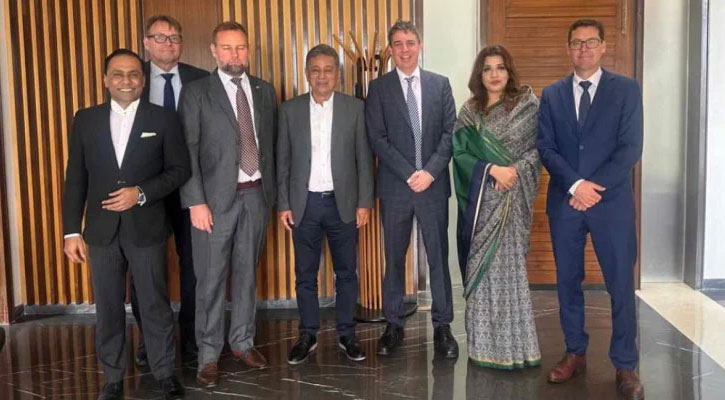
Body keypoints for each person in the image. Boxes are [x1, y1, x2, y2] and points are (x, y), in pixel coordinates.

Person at [62, 49, 189, 400]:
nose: (126, 80)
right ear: (106, 80)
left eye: (133, 74)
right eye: (117, 74)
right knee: (108, 307)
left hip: (146, 227)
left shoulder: (163, 118)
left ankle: (165, 373)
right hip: (101, 231)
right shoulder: (85, 119)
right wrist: (71, 230)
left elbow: (180, 170)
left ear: (143, 79)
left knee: (154, 304)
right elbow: (75, 178)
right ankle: (113, 377)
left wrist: (141, 193)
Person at [537, 19, 644, 400]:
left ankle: (625, 363)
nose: (583, 48)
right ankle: (575, 352)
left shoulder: (626, 90)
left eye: (591, 41)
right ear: (568, 49)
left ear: (603, 47)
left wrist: (592, 188)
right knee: (568, 281)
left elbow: (630, 147)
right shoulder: (552, 94)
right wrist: (575, 185)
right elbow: (546, 147)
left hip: (610, 202)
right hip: (566, 202)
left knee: (620, 283)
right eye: (577, 43)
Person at [178, 21, 277, 388]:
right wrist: (196, 202)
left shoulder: (264, 90)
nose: (235, 55)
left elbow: (270, 145)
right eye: (227, 47)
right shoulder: (196, 93)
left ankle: (242, 342)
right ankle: (208, 355)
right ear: (214, 51)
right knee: (210, 279)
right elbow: (187, 150)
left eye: (241, 47)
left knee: (247, 273)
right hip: (213, 203)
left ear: (249, 50)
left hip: (256, 195)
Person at [366, 20, 458, 359]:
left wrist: (430, 172)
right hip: (396, 188)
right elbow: (377, 138)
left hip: (432, 187)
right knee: (394, 258)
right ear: (391, 50)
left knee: (438, 258)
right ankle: (393, 325)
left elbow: (450, 133)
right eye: (398, 44)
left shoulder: (440, 85)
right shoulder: (379, 88)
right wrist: (410, 174)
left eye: (410, 42)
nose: (404, 49)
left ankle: (443, 326)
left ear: (420, 46)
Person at [277, 44, 374, 365]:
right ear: (307, 74)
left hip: (342, 204)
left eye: (328, 70)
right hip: (303, 205)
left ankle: (347, 334)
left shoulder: (354, 109)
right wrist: (283, 203)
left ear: (338, 75)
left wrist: (364, 202)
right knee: (305, 274)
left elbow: (364, 159)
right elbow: (282, 161)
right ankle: (308, 334)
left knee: (346, 272)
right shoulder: (289, 110)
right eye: (315, 70)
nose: (322, 76)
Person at [452, 45, 541, 369]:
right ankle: (483, 347)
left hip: (513, 201)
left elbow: (540, 149)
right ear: (479, 74)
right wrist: (491, 170)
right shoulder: (469, 112)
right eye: (487, 68)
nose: (494, 74)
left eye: (500, 67)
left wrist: (514, 171)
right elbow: (460, 155)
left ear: (509, 71)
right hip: (481, 206)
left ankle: (517, 348)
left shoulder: (527, 105)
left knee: (510, 273)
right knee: (482, 272)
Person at [129, 14, 209, 367]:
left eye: (174, 37)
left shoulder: (202, 79)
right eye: (160, 37)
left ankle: (192, 337)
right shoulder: (132, 79)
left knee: (195, 266)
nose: (168, 43)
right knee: (145, 268)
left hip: (191, 187)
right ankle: (151, 340)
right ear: (147, 43)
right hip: (144, 190)